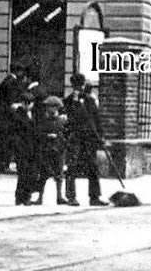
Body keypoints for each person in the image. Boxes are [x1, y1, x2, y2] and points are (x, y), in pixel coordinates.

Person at [64, 73, 108, 206]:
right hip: (75, 138)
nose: (79, 88)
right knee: (72, 167)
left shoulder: (89, 100)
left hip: (89, 138)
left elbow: (97, 119)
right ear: (73, 86)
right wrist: (76, 102)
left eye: (80, 85)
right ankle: (71, 197)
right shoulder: (68, 101)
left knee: (93, 167)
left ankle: (94, 197)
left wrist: (101, 136)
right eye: (76, 85)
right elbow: (70, 118)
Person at [31, 95, 68, 206]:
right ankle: (40, 197)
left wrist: (60, 140)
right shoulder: (42, 120)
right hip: (46, 150)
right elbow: (37, 134)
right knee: (43, 175)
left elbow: (66, 135)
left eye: (54, 106)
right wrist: (46, 136)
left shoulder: (62, 121)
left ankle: (59, 196)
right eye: (49, 106)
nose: (51, 109)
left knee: (59, 175)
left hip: (58, 150)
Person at [0, 66, 25, 174]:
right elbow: (11, 102)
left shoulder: (6, 81)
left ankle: (1, 166)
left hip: (2, 118)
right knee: (6, 143)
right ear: (18, 71)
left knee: (3, 142)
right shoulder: (12, 83)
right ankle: (3, 166)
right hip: (7, 119)